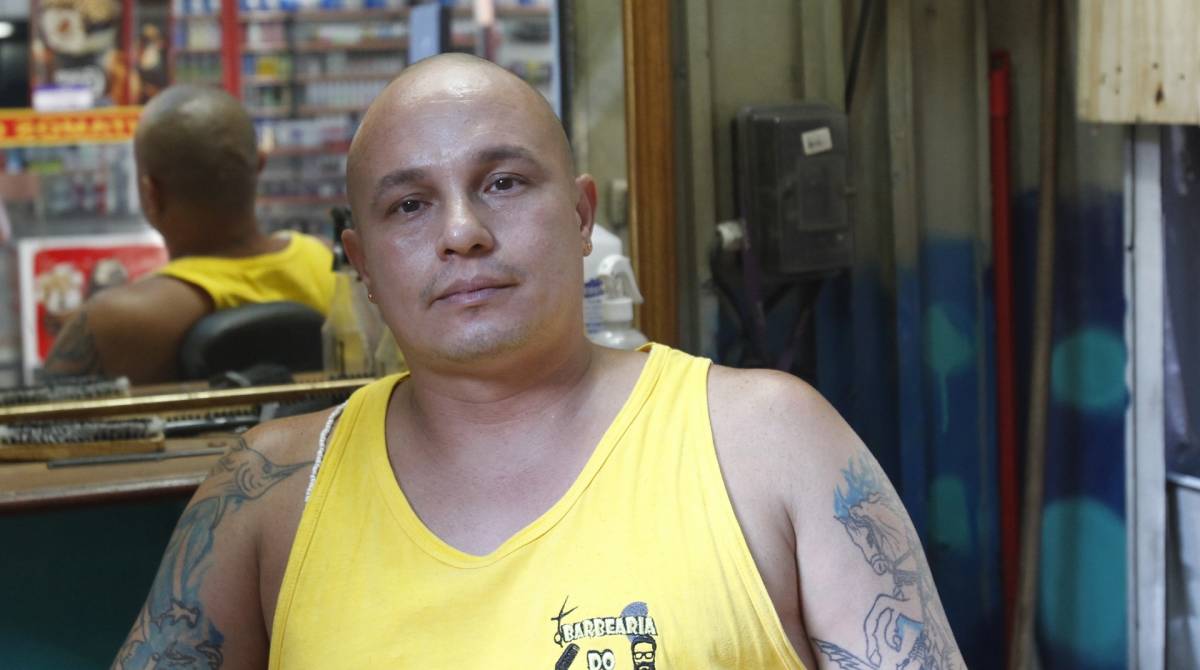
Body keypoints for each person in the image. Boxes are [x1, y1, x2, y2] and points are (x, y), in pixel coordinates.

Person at [114, 54, 966, 669]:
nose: (461, 231)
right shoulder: (269, 496)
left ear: (582, 213)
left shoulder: (769, 442)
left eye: (505, 182)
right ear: (361, 261)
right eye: (409, 205)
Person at [43, 85, 336, 384]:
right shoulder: (335, 265)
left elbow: (37, 425)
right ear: (259, 166)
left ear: (151, 193)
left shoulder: (112, 321)